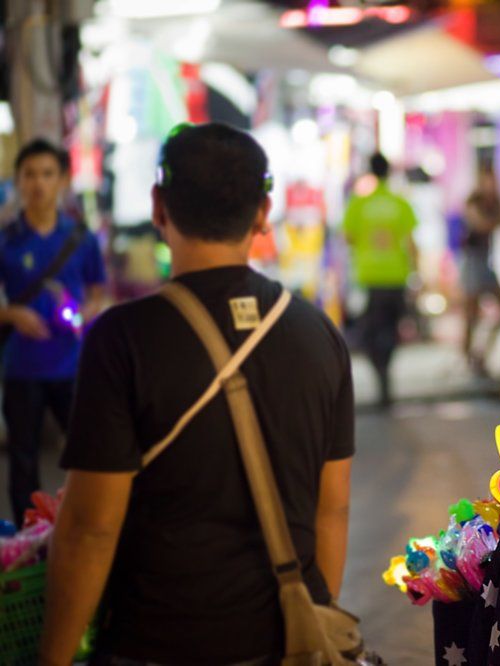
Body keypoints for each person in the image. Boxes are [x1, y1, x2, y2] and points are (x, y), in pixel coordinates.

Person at [40, 123, 355, 664]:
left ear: (159, 206)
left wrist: (52, 657)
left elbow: (90, 530)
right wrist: (313, 619)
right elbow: (334, 508)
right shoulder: (320, 334)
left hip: (156, 641)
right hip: (284, 641)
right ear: (263, 214)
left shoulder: (122, 340)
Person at [0, 138, 106, 526]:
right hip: (21, 369)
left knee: (88, 456)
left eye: (47, 174)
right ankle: (26, 542)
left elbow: (99, 293)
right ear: (18, 181)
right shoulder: (6, 240)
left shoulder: (80, 238)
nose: (38, 183)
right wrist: (12, 314)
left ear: (62, 180)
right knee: (23, 460)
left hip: (72, 367)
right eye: (29, 174)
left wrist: (83, 313)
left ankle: (83, 530)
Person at [343, 152, 418, 407]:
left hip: (368, 278)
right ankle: (386, 373)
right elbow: (411, 242)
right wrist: (415, 275)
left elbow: (348, 238)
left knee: (368, 333)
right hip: (396, 276)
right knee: (391, 330)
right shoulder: (399, 202)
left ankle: (381, 375)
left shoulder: (359, 204)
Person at [460, 166, 500, 372]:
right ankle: (469, 357)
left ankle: (485, 351)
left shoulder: (496, 204)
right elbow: (480, 224)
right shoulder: (473, 203)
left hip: (487, 262)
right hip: (472, 261)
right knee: (471, 314)